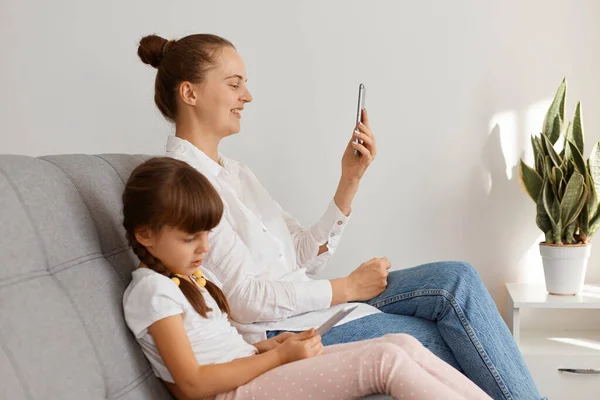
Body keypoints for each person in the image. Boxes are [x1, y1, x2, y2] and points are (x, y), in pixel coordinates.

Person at [136, 33, 543, 400]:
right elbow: (244, 301)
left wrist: (349, 179)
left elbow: (302, 254)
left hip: (316, 302)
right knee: (439, 337)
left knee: (458, 278)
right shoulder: (182, 190)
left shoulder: (236, 173)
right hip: (282, 328)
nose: (247, 96)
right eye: (234, 83)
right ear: (189, 93)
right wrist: (346, 288)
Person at [121, 157, 492, 400]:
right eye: (190, 239)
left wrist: (266, 348)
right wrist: (278, 358)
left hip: (249, 373)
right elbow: (190, 384)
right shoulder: (152, 291)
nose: (204, 249)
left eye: (206, 235)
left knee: (401, 344)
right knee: (384, 360)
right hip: (238, 393)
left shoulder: (185, 279)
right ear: (145, 234)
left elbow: (217, 348)